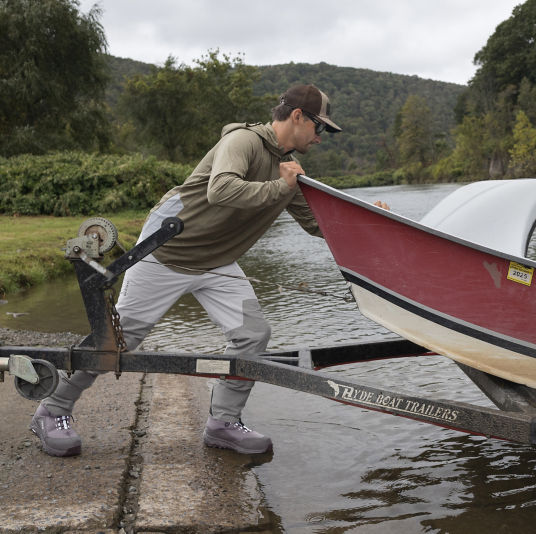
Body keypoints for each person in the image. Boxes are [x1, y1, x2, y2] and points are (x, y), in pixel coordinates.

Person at [30, 84, 384, 457]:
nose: (321, 138)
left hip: (216, 261)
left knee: (253, 335)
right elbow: (221, 190)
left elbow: (317, 224)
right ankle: (52, 409)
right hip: (166, 251)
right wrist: (280, 187)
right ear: (297, 116)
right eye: (320, 128)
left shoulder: (287, 171)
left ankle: (223, 423)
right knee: (115, 342)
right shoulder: (243, 141)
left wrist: (373, 223)